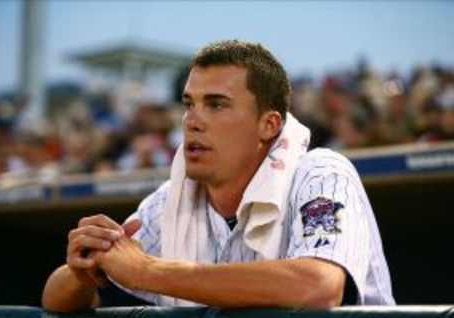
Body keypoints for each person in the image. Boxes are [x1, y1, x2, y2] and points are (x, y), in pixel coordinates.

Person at [42, 40, 395, 312]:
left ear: (268, 125)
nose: (193, 120)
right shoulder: (174, 197)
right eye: (189, 104)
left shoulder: (319, 173)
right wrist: (81, 271)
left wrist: (148, 271)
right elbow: (55, 299)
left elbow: (319, 286)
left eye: (216, 104)